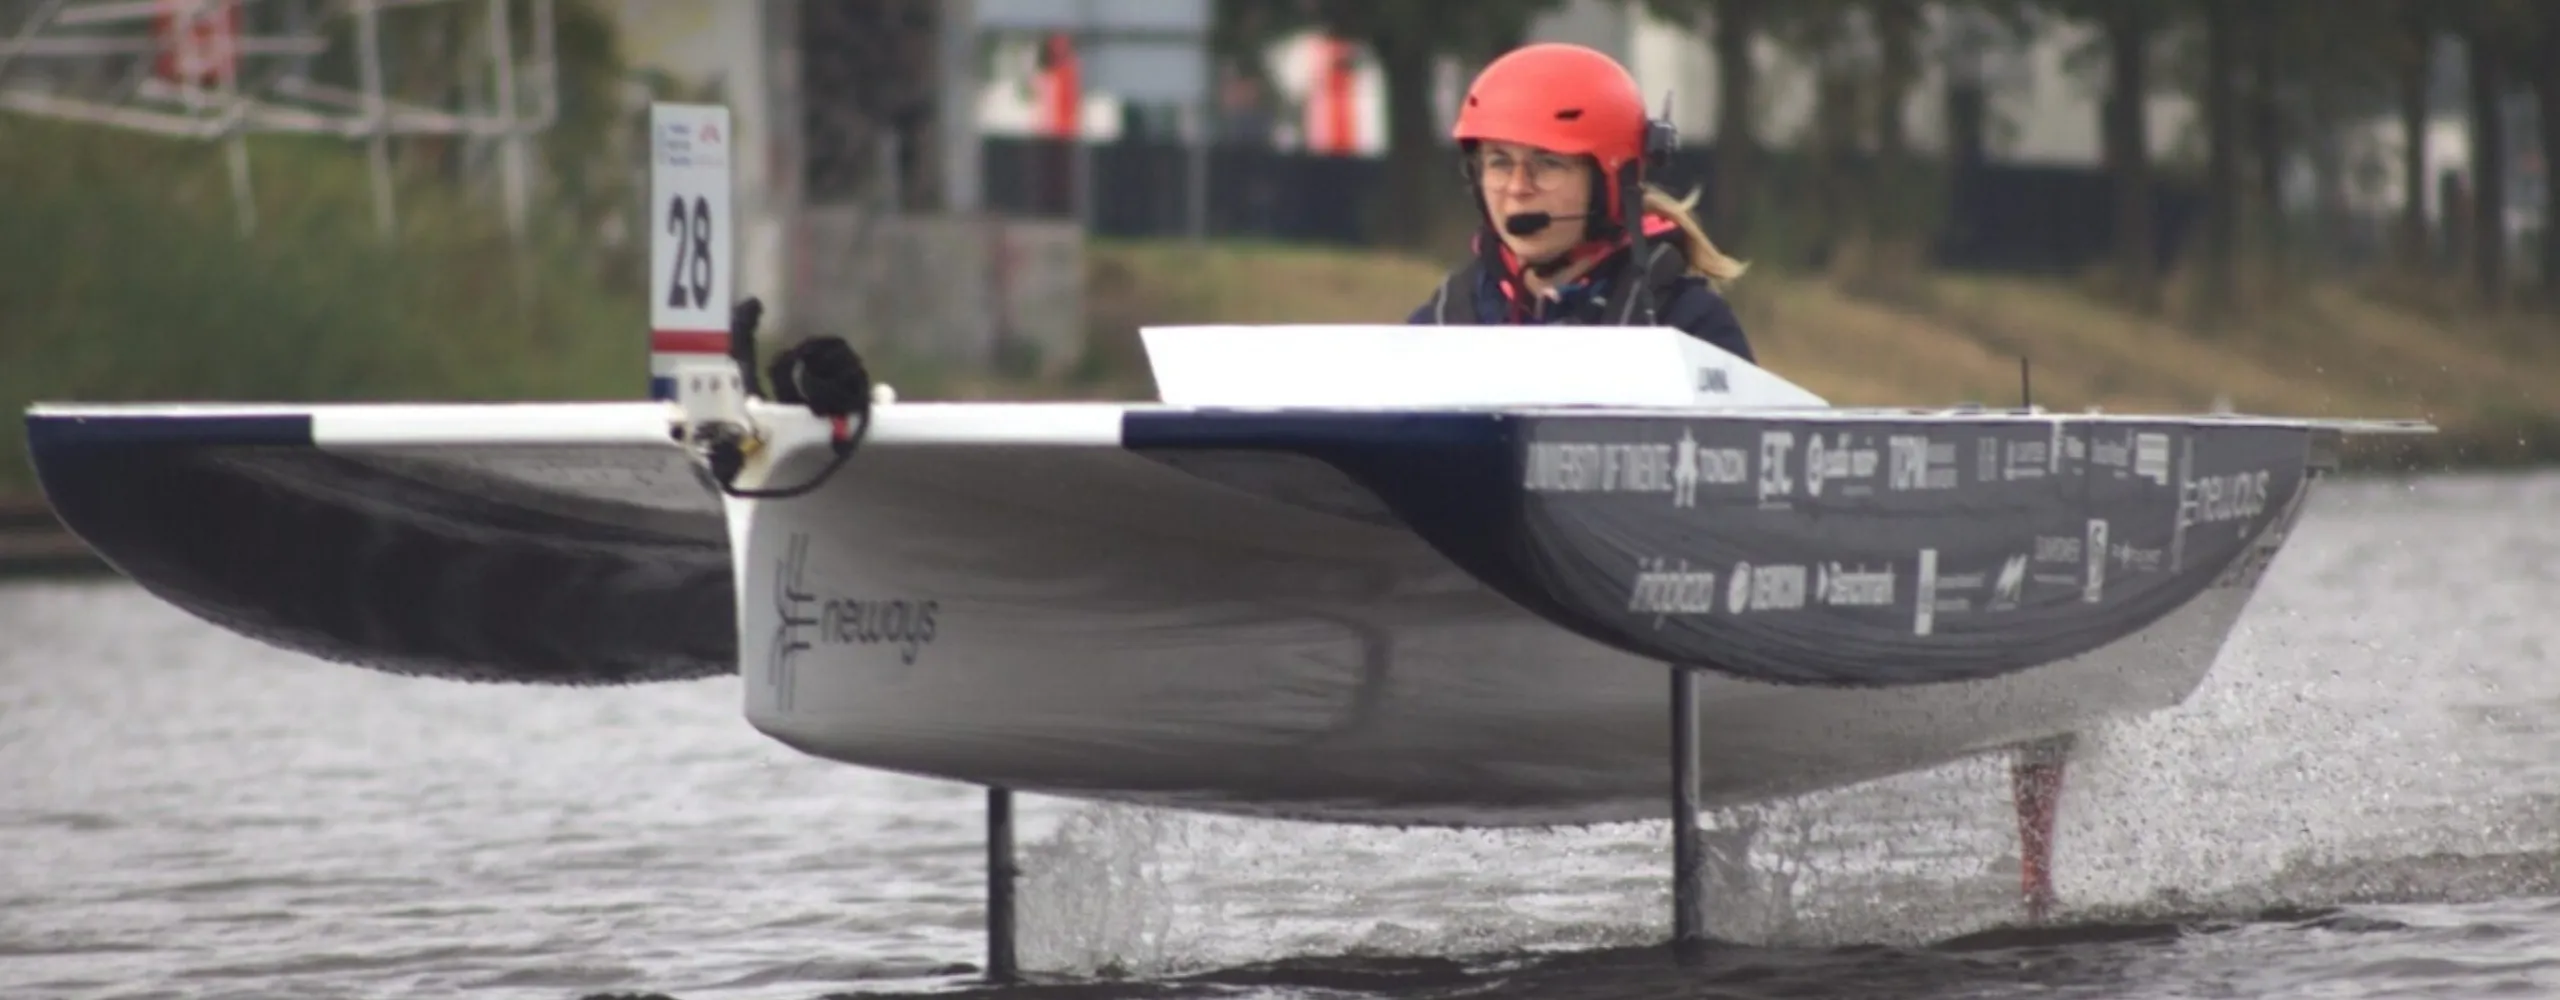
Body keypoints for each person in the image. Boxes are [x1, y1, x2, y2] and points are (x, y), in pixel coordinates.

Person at [1406, 43, 1756, 365]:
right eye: (1499, 162)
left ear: (1611, 182)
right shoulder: (1446, 320)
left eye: (1548, 163)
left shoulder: (1688, 325)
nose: (1517, 188)